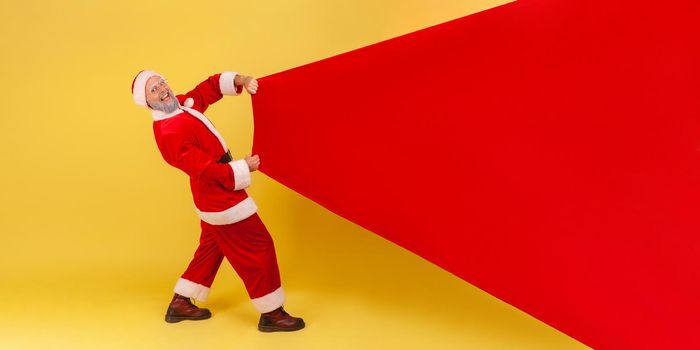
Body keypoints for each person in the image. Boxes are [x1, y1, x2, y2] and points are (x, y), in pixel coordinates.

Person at [131, 70, 304, 332]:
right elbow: (205, 169)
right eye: (153, 90)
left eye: (162, 83)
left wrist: (240, 80)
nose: (162, 90)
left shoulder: (180, 105)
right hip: (218, 194)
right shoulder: (169, 132)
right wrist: (243, 168)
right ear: (146, 102)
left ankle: (180, 303)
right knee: (259, 246)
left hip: (211, 193)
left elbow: (205, 90)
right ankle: (272, 312)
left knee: (212, 247)